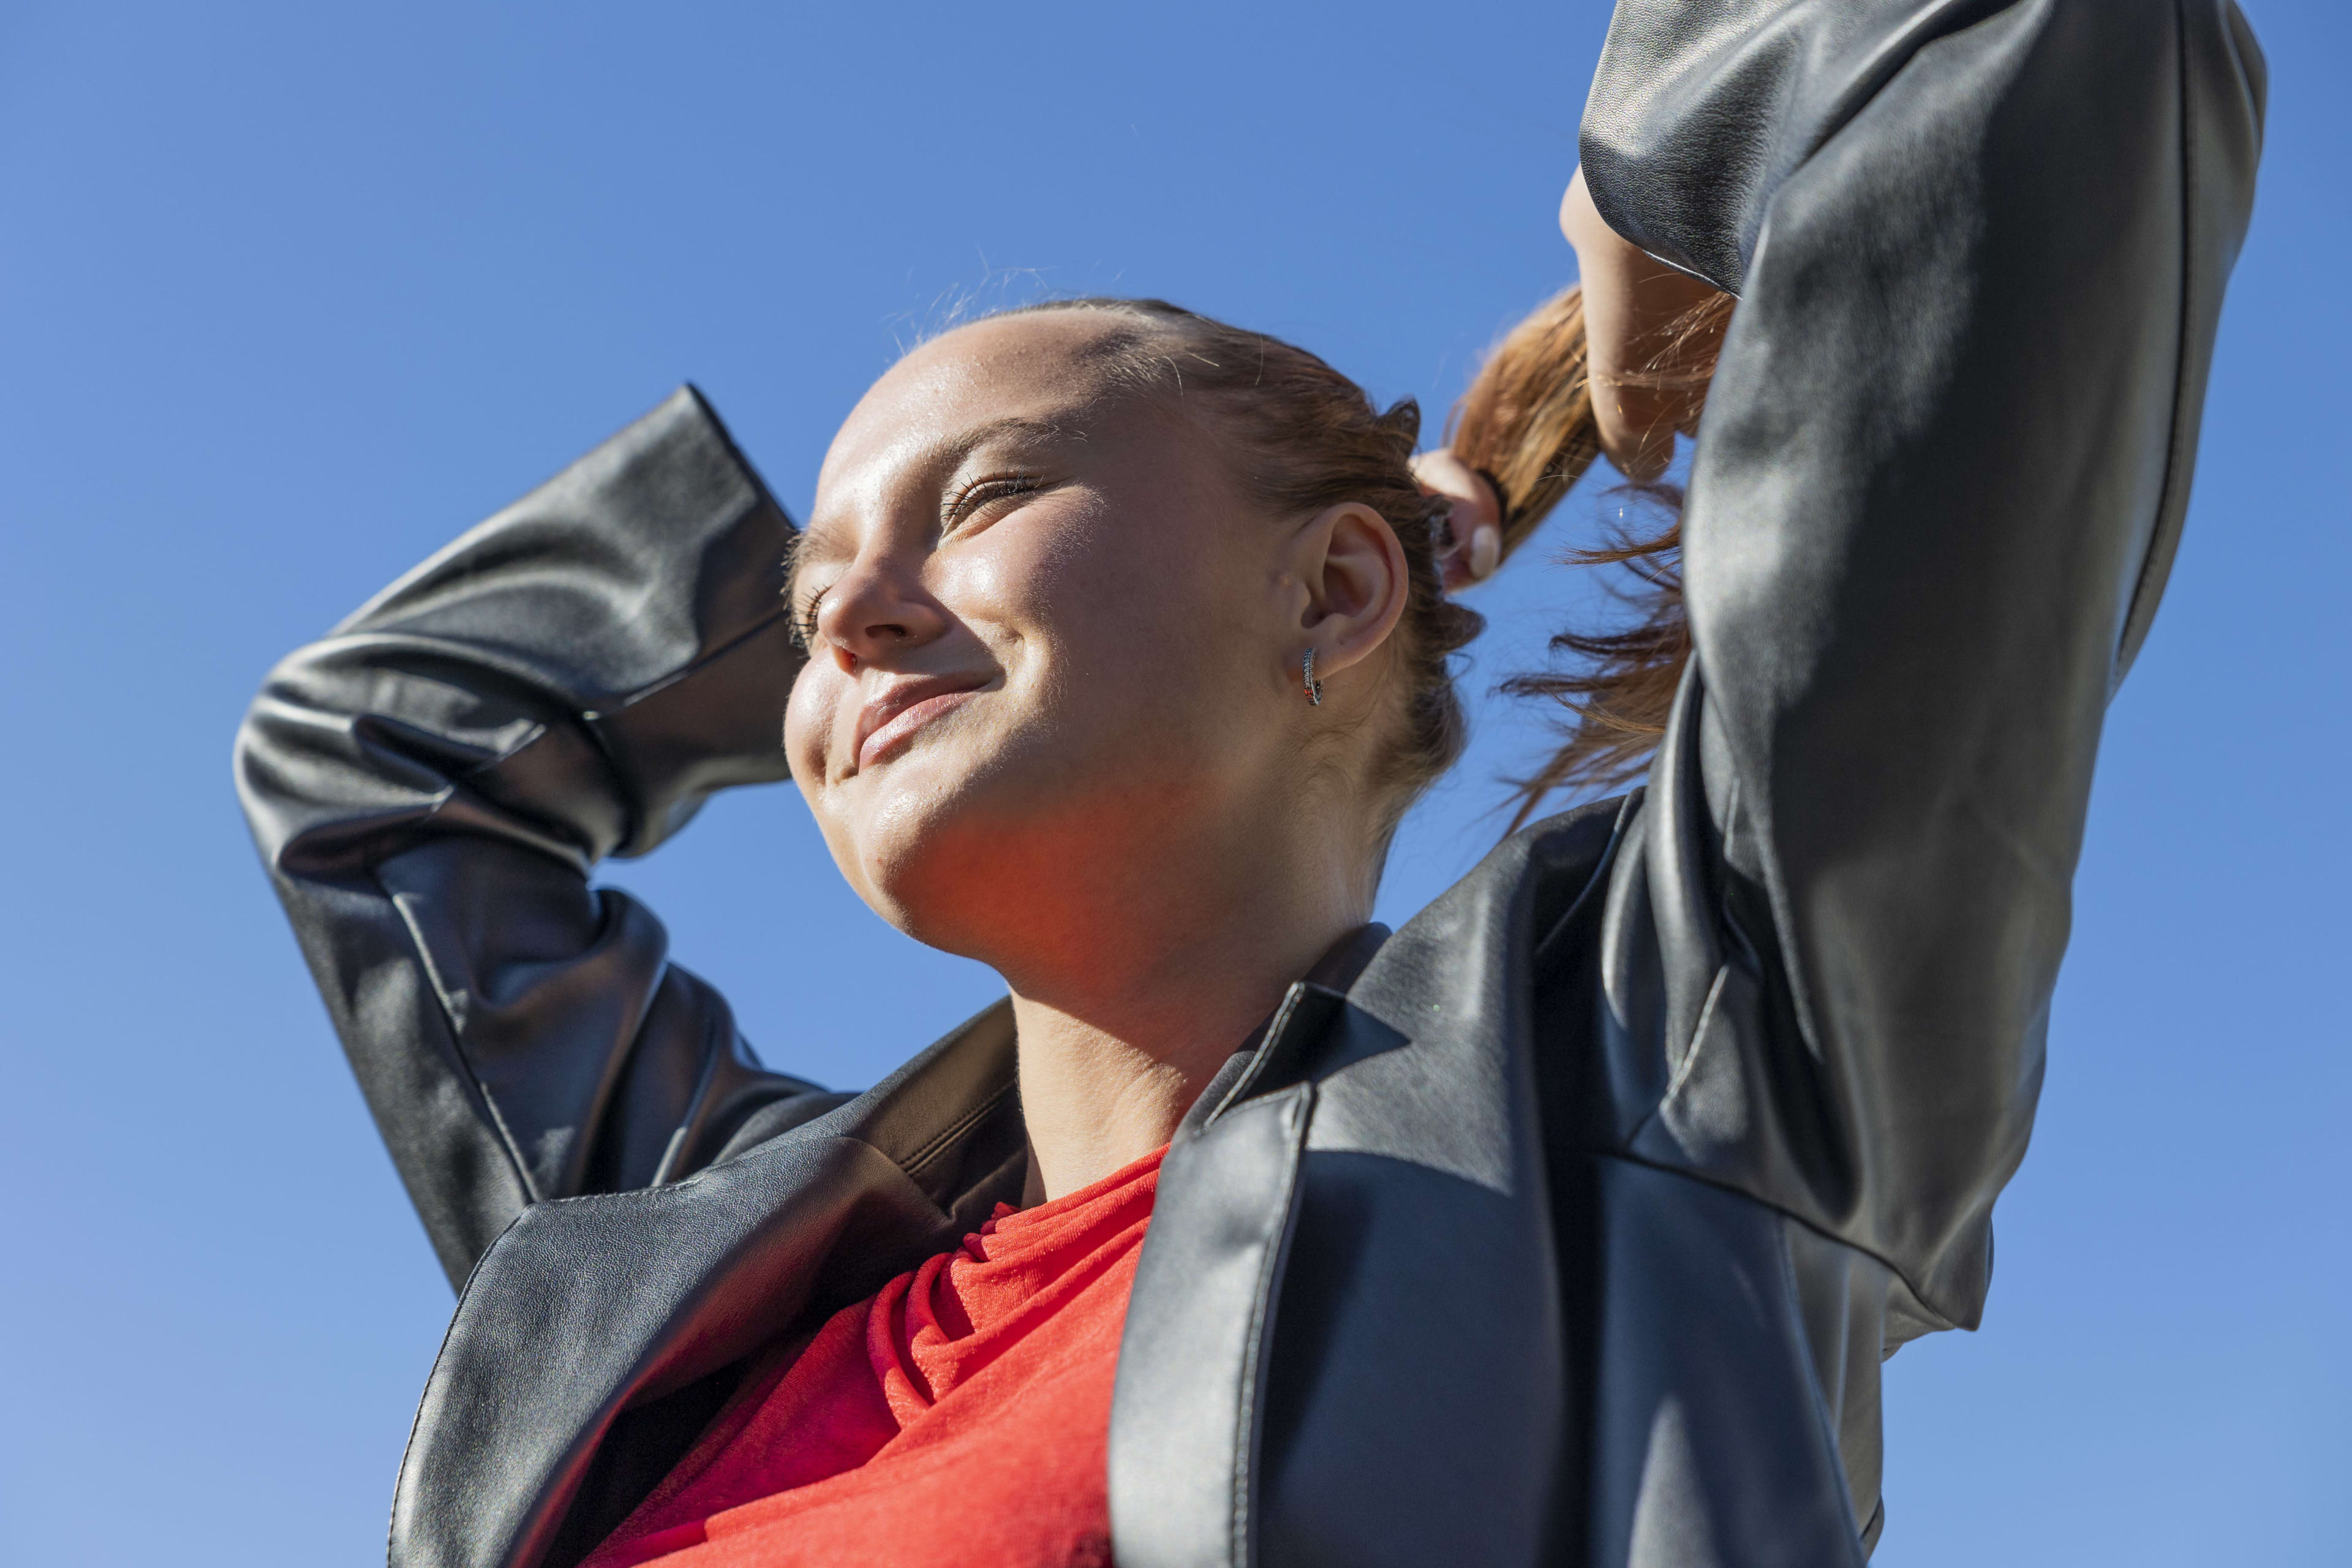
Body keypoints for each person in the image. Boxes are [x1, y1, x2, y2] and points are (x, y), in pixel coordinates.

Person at [235, 1, 2264, 1564]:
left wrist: (1651, 184)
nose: (845, 608)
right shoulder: (685, 1272)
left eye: (991, 497)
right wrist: (906, 627)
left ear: (1339, 590)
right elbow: (366, 761)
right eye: (802, 590)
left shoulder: (1649, 1074)